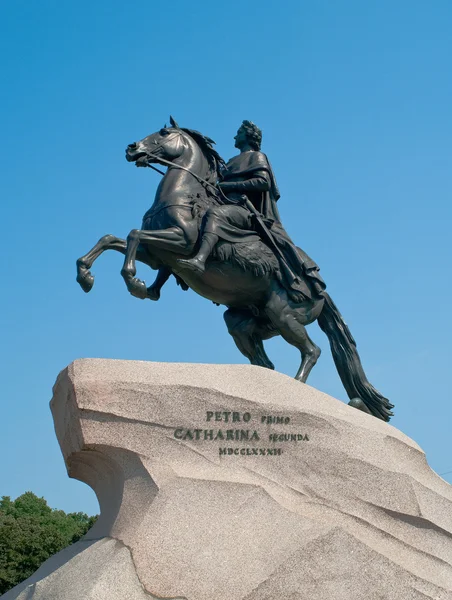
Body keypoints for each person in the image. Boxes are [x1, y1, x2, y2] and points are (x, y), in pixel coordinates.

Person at [177, 120, 325, 302]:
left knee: (215, 215)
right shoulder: (231, 162)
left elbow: (263, 182)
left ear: (248, 135)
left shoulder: (257, 156)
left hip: (246, 210)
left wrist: (229, 184)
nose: (234, 136)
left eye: (238, 133)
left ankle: (200, 260)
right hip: (227, 206)